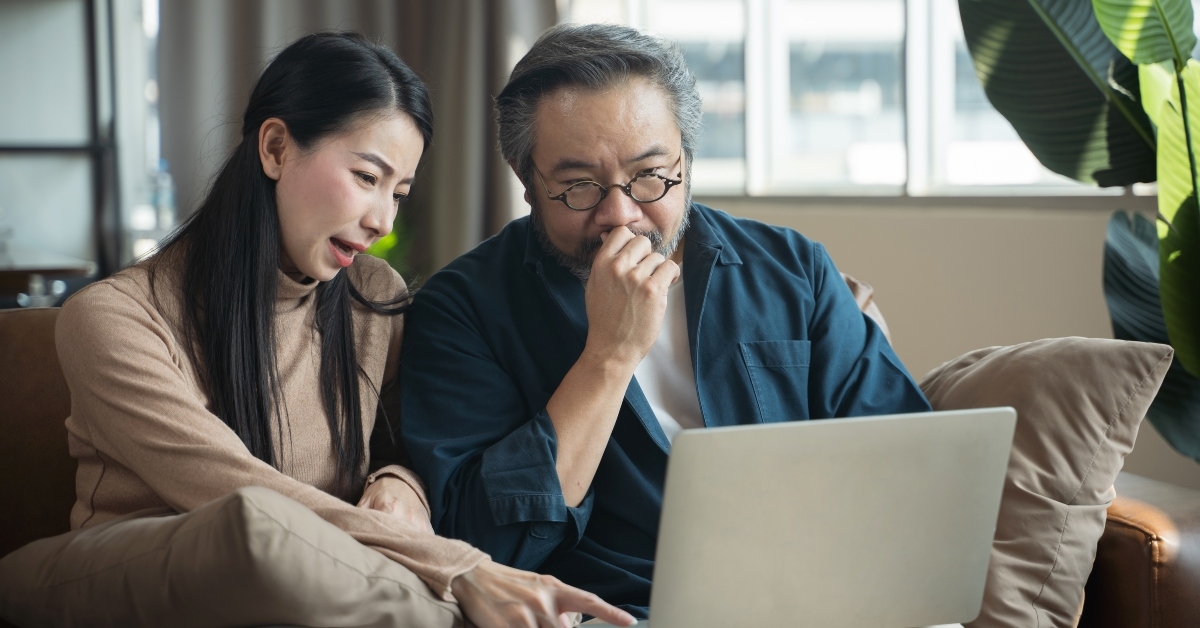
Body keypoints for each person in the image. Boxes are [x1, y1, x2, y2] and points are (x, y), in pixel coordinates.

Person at [0, 32, 635, 628]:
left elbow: (403, 448)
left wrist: (399, 483)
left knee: (291, 543)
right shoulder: (113, 317)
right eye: (366, 177)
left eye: (399, 193)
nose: (381, 220)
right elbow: (227, 489)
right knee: (255, 524)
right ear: (275, 148)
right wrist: (462, 569)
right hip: (119, 577)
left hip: (316, 583)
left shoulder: (371, 296)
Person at [400, 23, 933, 618]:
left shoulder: (791, 268)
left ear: (686, 157)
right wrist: (608, 356)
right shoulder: (464, 307)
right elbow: (483, 543)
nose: (620, 215)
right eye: (579, 186)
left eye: (651, 175)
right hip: (625, 611)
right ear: (528, 183)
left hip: (817, 597)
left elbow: (907, 467)